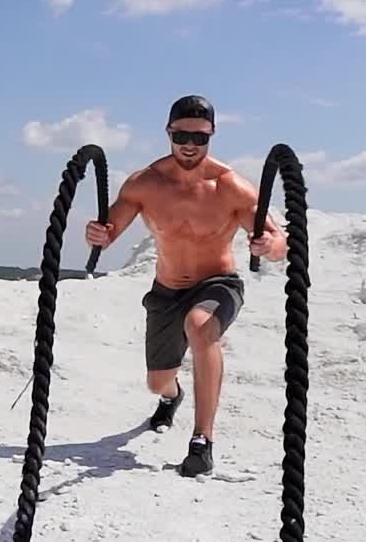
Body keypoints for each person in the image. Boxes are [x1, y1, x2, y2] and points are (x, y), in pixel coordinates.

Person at [84, 95, 287, 477]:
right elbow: (108, 232)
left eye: (199, 137)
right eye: (181, 136)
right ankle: (172, 397)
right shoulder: (145, 183)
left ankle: (201, 441)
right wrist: (97, 234)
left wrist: (269, 245)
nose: (190, 145)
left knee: (200, 324)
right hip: (166, 291)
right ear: (168, 132)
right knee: (156, 382)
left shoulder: (230, 187)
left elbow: (279, 242)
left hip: (218, 284)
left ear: (211, 135)